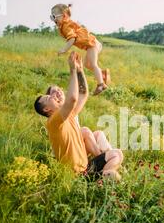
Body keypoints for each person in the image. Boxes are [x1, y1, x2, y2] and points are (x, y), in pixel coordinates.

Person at [34, 52, 123, 180]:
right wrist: (72, 70)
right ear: (47, 109)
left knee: (117, 154)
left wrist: (80, 70)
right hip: (78, 174)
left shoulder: (68, 115)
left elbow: (83, 94)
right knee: (109, 151)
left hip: (86, 167)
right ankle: (104, 178)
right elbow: (73, 99)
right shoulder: (54, 122)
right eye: (49, 97)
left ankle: (105, 174)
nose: (54, 95)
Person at [50, 3, 110, 95]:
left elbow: (72, 38)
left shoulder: (66, 26)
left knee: (93, 64)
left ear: (64, 15)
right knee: (87, 65)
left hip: (92, 44)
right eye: (51, 17)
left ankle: (101, 85)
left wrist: (64, 49)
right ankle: (102, 74)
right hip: (91, 45)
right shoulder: (65, 24)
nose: (53, 19)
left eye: (54, 16)